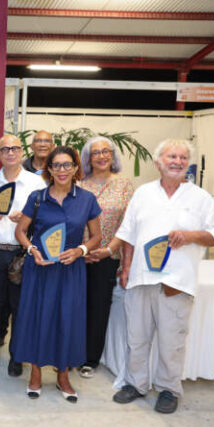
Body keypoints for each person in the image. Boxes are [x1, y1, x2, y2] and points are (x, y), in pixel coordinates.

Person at [93, 139, 214, 414]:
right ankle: (136, 383)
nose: (177, 162)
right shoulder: (143, 194)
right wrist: (117, 258)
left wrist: (190, 235)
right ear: (158, 163)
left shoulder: (200, 198)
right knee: (137, 337)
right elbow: (127, 232)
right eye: (171, 157)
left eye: (182, 158)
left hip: (176, 282)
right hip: (142, 278)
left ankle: (168, 389)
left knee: (172, 340)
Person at [12, 146, 102, 403]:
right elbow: (20, 231)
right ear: (48, 169)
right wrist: (32, 250)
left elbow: (96, 237)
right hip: (40, 269)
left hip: (71, 270)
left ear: (76, 168)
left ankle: (63, 375)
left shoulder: (86, 199)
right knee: (38, 318)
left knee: (67, 320)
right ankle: (36, 373)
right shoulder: (37, 197)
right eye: (56, 165)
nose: (62, 170)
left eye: (67, 165)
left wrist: (80, 250)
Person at [0, 134, 44, 376]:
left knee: (19, 308)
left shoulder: (37, 184)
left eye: (14, 148)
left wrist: (26, 219)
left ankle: (17, 356)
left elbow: (45, 219)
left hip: (22, 254)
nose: (10, 153)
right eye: (5, 149)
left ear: (22, 152)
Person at [77, 137, 134, 379]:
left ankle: (90, 358)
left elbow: (128, 226)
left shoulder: (125, 185)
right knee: (75, 306)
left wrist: (109, 251)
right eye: (95, 152)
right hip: (77, 256)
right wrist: (82, 251)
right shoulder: (77, 184)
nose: (101, 156)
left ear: (113, 156)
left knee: (98, 308)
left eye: (106, 151)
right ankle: (72, 353)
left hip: (108, 256)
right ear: (87, 158)